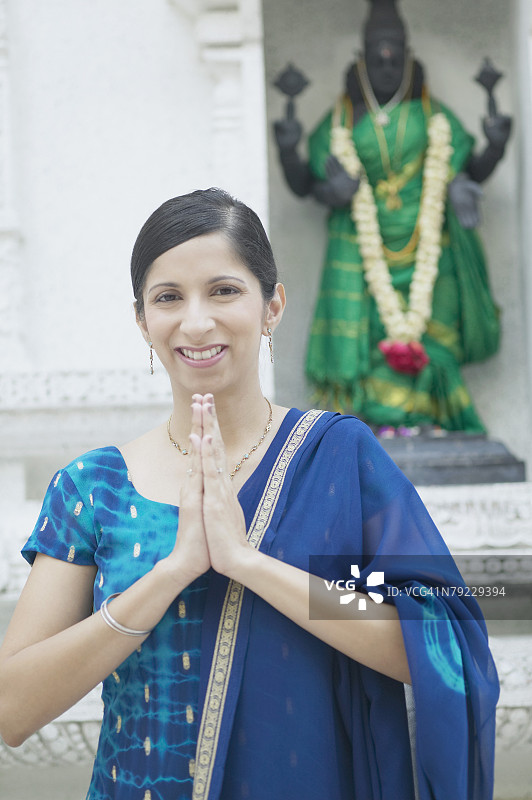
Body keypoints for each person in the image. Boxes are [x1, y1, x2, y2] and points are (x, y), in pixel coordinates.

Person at [0, 188, 498, 800]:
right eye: (168, 298)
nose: (197, 320)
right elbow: (13, 709)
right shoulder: (93, 487)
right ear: (142, 320)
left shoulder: (336, 458)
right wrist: (171, 575)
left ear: (272, 306)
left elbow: (433, 644)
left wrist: (247, 564)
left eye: (225, 290)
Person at [273, 0, 511, 432]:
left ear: (408, 59)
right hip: (363, 251)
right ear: (362, 59)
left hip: (429, 246)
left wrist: (495, 147)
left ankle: (431, 421)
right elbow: (307, 185)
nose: (386, 60)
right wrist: (289, 151)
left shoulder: (432, 116)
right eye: (378, 50)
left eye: (395, 51)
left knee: (437, 331)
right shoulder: (343, 119)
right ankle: (378, 428)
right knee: (369, 336)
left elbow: (468, 169)